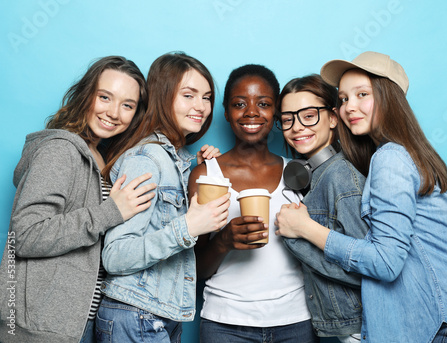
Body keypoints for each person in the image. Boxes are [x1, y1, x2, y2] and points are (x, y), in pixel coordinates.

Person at [277, 51, 447, 342]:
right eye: (343, 99)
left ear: (388, 97)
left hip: (446, 325)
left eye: (362, 94)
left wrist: (305, 230)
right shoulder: (391, 156)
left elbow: (385, 263)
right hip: (440, 321)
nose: (349, 107)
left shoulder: (390, 158)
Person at [0, 56, 156, 343]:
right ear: (86, 95)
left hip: (76, 323)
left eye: (127, 105)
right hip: (43, 328)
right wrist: (110, 212)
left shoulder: (100, 156)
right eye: (105, 97)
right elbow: (24, 235)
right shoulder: (61, 150)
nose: (114, 112)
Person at [96, 52, 230, 343]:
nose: (201, 107)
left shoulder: (176, 161)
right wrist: (189, 227)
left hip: (156, 315)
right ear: (163, 96)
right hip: (136, 314)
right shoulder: (146, 159)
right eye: (189, 95)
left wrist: (201, 170)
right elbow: (115, 256)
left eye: (206, 97)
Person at [189, 64, 316, 343]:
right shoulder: (205, 175)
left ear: (276, 113)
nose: (251, 112)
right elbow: (193, 271)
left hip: (295, 321)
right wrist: (222, 241)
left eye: (264, 103)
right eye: (239, 104)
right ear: (226, 113)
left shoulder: (297, 173)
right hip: (225, 324)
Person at [275, 74, 369, 343]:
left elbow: (367, 270)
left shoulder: (339, 176)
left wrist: (297, 238)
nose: (296, 127)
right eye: (287, 119)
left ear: (332, 118)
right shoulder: (317, 174)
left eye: (308, 115)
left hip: (360, 329)